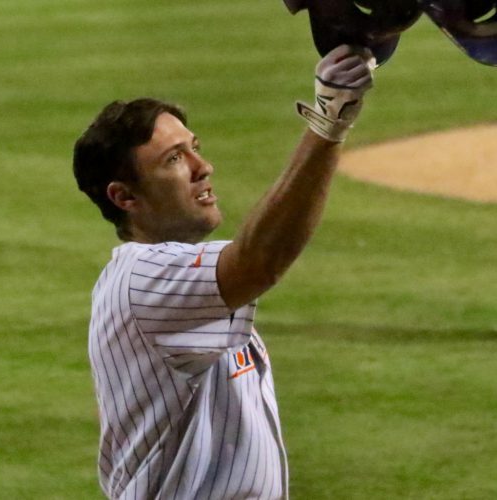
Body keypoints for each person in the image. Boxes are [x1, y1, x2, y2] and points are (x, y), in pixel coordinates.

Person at [72, 45, 374, 499]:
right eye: (174, 160)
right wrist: (328, 124)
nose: (203, 167)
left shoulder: (176, 281)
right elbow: (259, 261)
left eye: (194, 149)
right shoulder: (143, 280)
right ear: (124, 197)